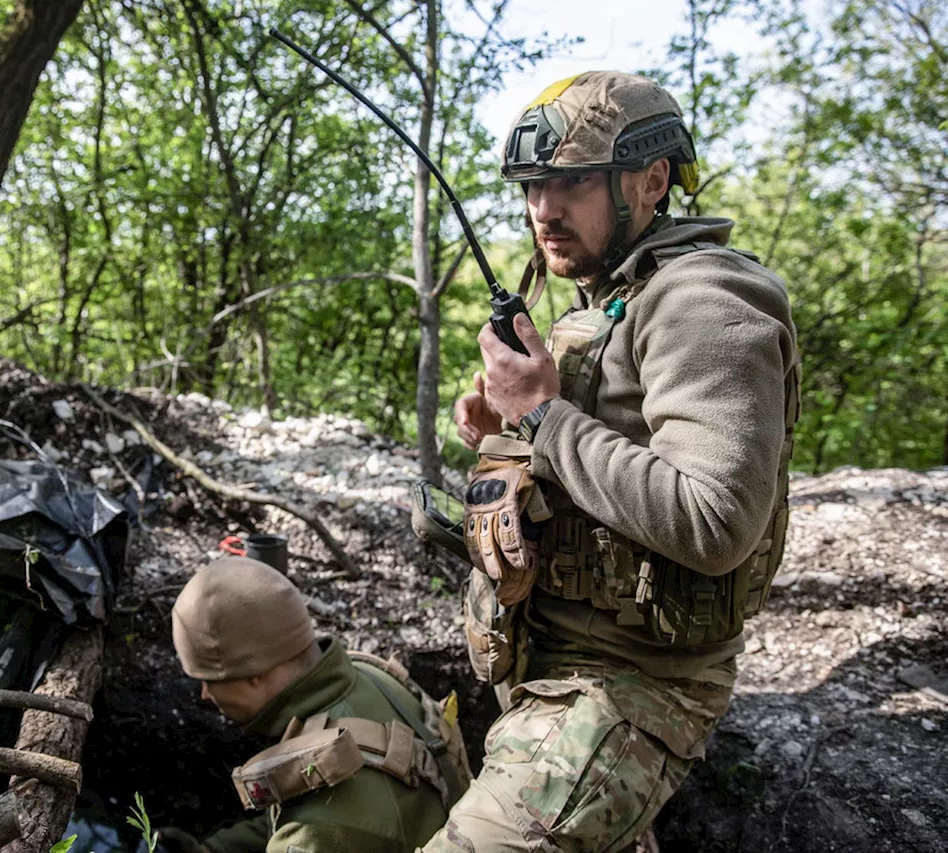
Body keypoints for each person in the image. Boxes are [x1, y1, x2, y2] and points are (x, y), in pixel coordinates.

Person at [425, 71, 800, 851]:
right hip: (549, 664)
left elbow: (715, 519)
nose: (543, 210)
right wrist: (510, 425)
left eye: (572, 183)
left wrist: (544, 415)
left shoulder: (704, 299)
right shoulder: (607, 295)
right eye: (533, 186)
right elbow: (600, 443)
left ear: (652, 179)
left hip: (631, 684)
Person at [164, 556, 472, 853]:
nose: (204, 694)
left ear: (254, 675)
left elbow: (320, 825)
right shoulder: (370, 675)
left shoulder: (319, 824)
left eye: (209, 680)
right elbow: (300, 818)